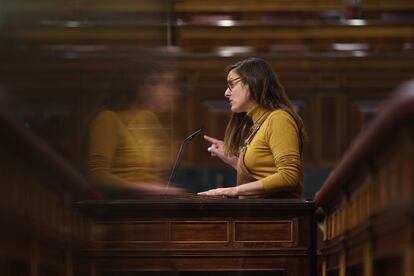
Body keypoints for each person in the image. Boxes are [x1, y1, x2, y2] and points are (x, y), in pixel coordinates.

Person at [198, 57, 305, 198]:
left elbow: (289, 176)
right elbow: (263, 175)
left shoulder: (279, 119)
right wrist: (233, 160)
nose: (226, 93)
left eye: (231, 85)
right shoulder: (258, 122)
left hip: (277, 217)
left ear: (252, 82)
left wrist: (233, 190)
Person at [87, 61, 184, 196]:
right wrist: (145, 188)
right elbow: (98, 176)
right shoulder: (108, 119)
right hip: (124, 209)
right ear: (143, 88)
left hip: (151, 206)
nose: (174, 92)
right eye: (167, 84)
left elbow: (162, 169)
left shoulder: (149, 120)